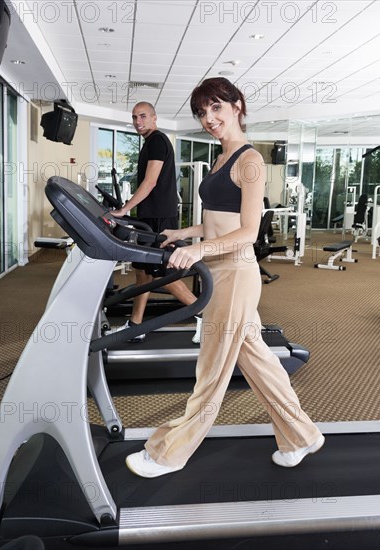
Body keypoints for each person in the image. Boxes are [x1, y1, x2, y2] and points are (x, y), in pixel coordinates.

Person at [125, 78, 325, 478]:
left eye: (216, 108)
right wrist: (185, 234)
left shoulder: (250, 161)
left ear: (236, 105)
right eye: (202, 112)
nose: (209, 119)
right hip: (218, 270)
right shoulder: (221, 157)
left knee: (212, 370)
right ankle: (303, 435)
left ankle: (170, 453)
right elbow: (218, 221)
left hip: (235, 273)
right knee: (260, 364)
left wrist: (199, 250)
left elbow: (248, 231)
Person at [111, 101, 202, 343]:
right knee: (143, 274)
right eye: (134, 117)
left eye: (142, 116)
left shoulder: (158, 141)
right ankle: (135, 325)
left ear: (154, 118)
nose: (138, 121)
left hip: (159, 219)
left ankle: (206, 314)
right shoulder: (150, 143)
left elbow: (150, 182)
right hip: (149, 218)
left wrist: (124, 210)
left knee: (163, 274)